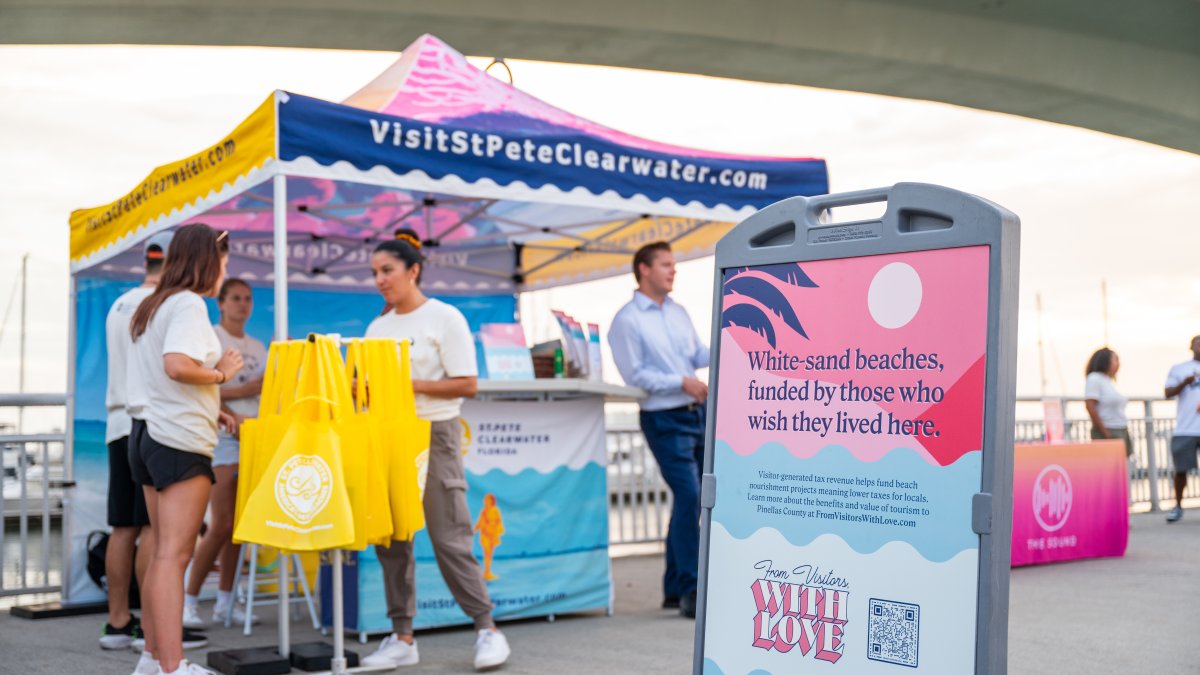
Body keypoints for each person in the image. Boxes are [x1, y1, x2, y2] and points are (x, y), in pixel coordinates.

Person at [360, 230, 511, 671]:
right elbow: (374, 388)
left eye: (387, 271)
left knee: (450, 536)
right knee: (394, 539)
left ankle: (487, 629)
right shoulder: (377, 327)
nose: (381, 280)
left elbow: (467, 382)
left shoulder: (445, 317)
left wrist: (408, 385)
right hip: (390, 434)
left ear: (414, 270)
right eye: (374, 273)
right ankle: (402, 636)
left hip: (435, 433)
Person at [127, 223, 243, 675]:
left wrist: (211, 406)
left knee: (162, 553)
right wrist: (220, 375)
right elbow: (177, 366)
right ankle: (174, 668)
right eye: (224, 262)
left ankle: (153, 659)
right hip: (177, 441)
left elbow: (158, 374)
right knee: (175, 555)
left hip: (148, 434)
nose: (224, 271)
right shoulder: (189, 304)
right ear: (206, 260)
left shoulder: (153, 304)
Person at [607, 241, 710, 619]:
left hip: (697, 414)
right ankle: (692, 588)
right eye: (666, 264)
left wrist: (740, 342)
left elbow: (698, 354)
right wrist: (681, 382)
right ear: (644, 269)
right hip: (663, 418)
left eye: (674, 265)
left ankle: (672, 587)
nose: (673, 271)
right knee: (691, 495)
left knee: (691, 499)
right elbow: (636, 375)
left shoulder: (679, 311)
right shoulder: (627, 320)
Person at [100, 232, 170, 651]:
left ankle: (116, 624)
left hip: (114, 423)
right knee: (151, 531)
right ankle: (150, 627)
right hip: (147, 424)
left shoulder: (118, 304)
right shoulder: (163, 305)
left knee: (122, 528)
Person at [182, 278, 265, 629]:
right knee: (220, 524)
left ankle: (226, 602)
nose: (242, 304)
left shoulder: (258, 347)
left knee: (240, 527)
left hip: (254, 436)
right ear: (222, 303)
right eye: (235, 298)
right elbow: (205, 387)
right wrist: (245, 391)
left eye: (247, 298)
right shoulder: (212, 339)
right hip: (223, 436)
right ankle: (188, 600)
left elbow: (263, 393)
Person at [1164, 335, 1200, 523]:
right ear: (1191, 346)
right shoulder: (1180, 369)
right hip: (1186, 428)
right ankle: (1178, 506)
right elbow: (1167, 393)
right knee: (1181, 470)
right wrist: (1184, 383)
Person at [1084, 348, 1131, 457]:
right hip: (1109, 430)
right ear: (1105, 361)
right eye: (1116, 360)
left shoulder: (1107, 380)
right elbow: (1090, 406)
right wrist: (1105, 432)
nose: (1119, 364)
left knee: (1120, 466)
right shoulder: (1094, 378)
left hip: (1120, 428)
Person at [474, 493, 504, 582]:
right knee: (486, 552)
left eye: (488, 499)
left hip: (493, 534)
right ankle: (486, 572)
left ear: (491, 501)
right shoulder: (484, 511)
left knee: (489, 554)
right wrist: (472, 531)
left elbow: (499, 521)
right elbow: (479, 523)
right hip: (485, 534)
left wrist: (497, 530)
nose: (486, 501)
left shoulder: (496, 510)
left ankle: (487, 572)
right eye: (485, 499)